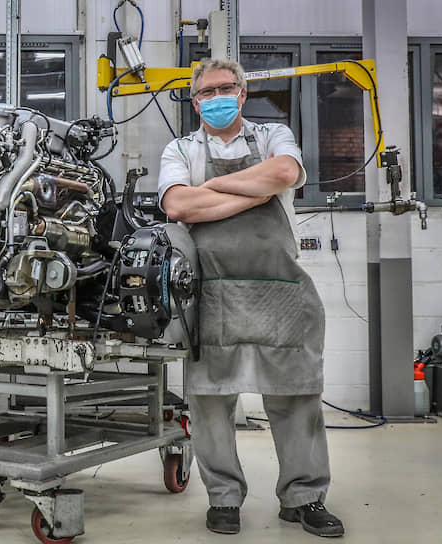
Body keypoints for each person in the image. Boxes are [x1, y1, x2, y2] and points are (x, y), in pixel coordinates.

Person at [158, 58, 344, 538]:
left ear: (242, 94)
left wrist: (212, 188)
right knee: (210, 401)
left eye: (226, 88)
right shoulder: (181, 149)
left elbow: (284, 171)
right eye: (206, 92)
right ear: (194, 101)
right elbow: (177, 204)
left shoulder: (272, 135)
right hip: (211, 294)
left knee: (296, 396)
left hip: (278, 293)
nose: (216, 98)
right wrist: (255, 192)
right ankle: (223, 498)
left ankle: (303, 498)